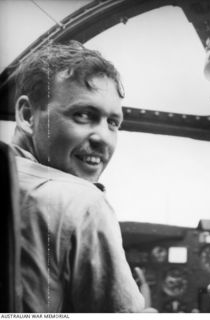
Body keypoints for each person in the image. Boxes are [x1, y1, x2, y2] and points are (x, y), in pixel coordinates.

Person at [11, 41, 145, 312]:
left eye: (113, 123)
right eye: (83, 115)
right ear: (27, 116)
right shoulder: (82, 203)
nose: (103, 139)